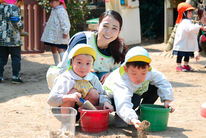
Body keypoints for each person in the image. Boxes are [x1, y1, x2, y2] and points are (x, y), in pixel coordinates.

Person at [103, 46, 175, 129]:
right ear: (126, 69)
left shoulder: (150, 71)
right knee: (135, 99)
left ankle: (141, 113)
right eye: (134, 73)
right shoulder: (121, 80)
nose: (139, 77)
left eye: (143, 73)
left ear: (148, 68)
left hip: (134, 91)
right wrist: (132, 119)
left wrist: (167, 100)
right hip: (112, 100)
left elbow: (162, 81)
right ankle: (121, 117)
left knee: (155, 87)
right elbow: (123, 102)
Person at [59, 10, 127, 84]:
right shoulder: (83, 40)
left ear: (119, 31)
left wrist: (112, 75)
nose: (108, 32)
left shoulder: (120, 47)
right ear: (98, 26)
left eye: (114, 28)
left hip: (105, 84)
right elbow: (67, 67)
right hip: (77, 80)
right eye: (105, 26)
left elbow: (127, 69)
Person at [47, 44, 113, 119]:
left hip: (85, 110)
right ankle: (67, 123)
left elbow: (103, 93)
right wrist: (68, 97)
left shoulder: (92, 78)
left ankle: (89, 119)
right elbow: (51, 100)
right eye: (79, 62)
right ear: (71, 63)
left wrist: (106, 102)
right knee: (72, 92)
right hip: (65, 111)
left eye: (88, 63)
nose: (83, 67)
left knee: (94, 93)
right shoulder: (65, 78)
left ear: (92, 65)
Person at [173, 2, 203, 72]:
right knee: (180, 55)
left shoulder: (188, 21)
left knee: (187, 54)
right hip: (182, 42)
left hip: (186, 43)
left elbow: (191, 28)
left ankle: (186, 65)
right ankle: (179, 65)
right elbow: (190, 28)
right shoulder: (184, 22)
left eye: (191, 12)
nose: (191, 14)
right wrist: (199, 26)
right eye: (189, 12)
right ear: (184, 13)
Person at [0, 0, 24, 83]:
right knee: (15, 58)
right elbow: (16, 21)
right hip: (13, 39)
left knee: (1, 58)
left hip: (1, 39)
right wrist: (21, 27)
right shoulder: (13, 7)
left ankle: (0, 75)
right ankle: (15, 76)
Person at [41, 0, 70, 66]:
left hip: (59, 34)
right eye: (50, 2)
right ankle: (56, 63)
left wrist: (65, 31)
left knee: (60, 47)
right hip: (53, 34)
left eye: (52, 2)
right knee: (53, 47)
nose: (50, 4)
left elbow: (65, 22)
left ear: (58, 2)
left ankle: (64, 64)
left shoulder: (61, 10)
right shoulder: (54, 10)